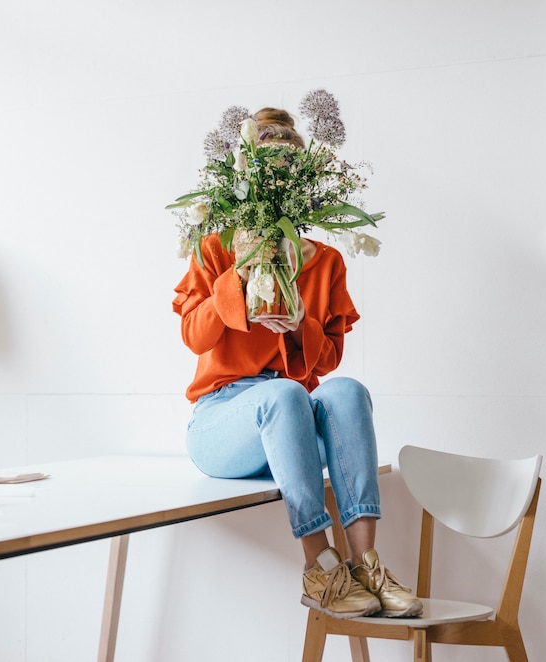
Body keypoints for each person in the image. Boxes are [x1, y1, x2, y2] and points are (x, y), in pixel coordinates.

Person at [172, 107, 422, 619]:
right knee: (285, 392)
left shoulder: (323, 261)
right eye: (268, 171)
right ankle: (320, 568)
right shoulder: (216, 248)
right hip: (223, 423)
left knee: (347, 390)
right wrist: (239, 276)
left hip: (292, 434)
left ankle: (366, 564)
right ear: (248, 179)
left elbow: (329, 358)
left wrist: (304, 321)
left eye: (288, 172)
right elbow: (194, 337)